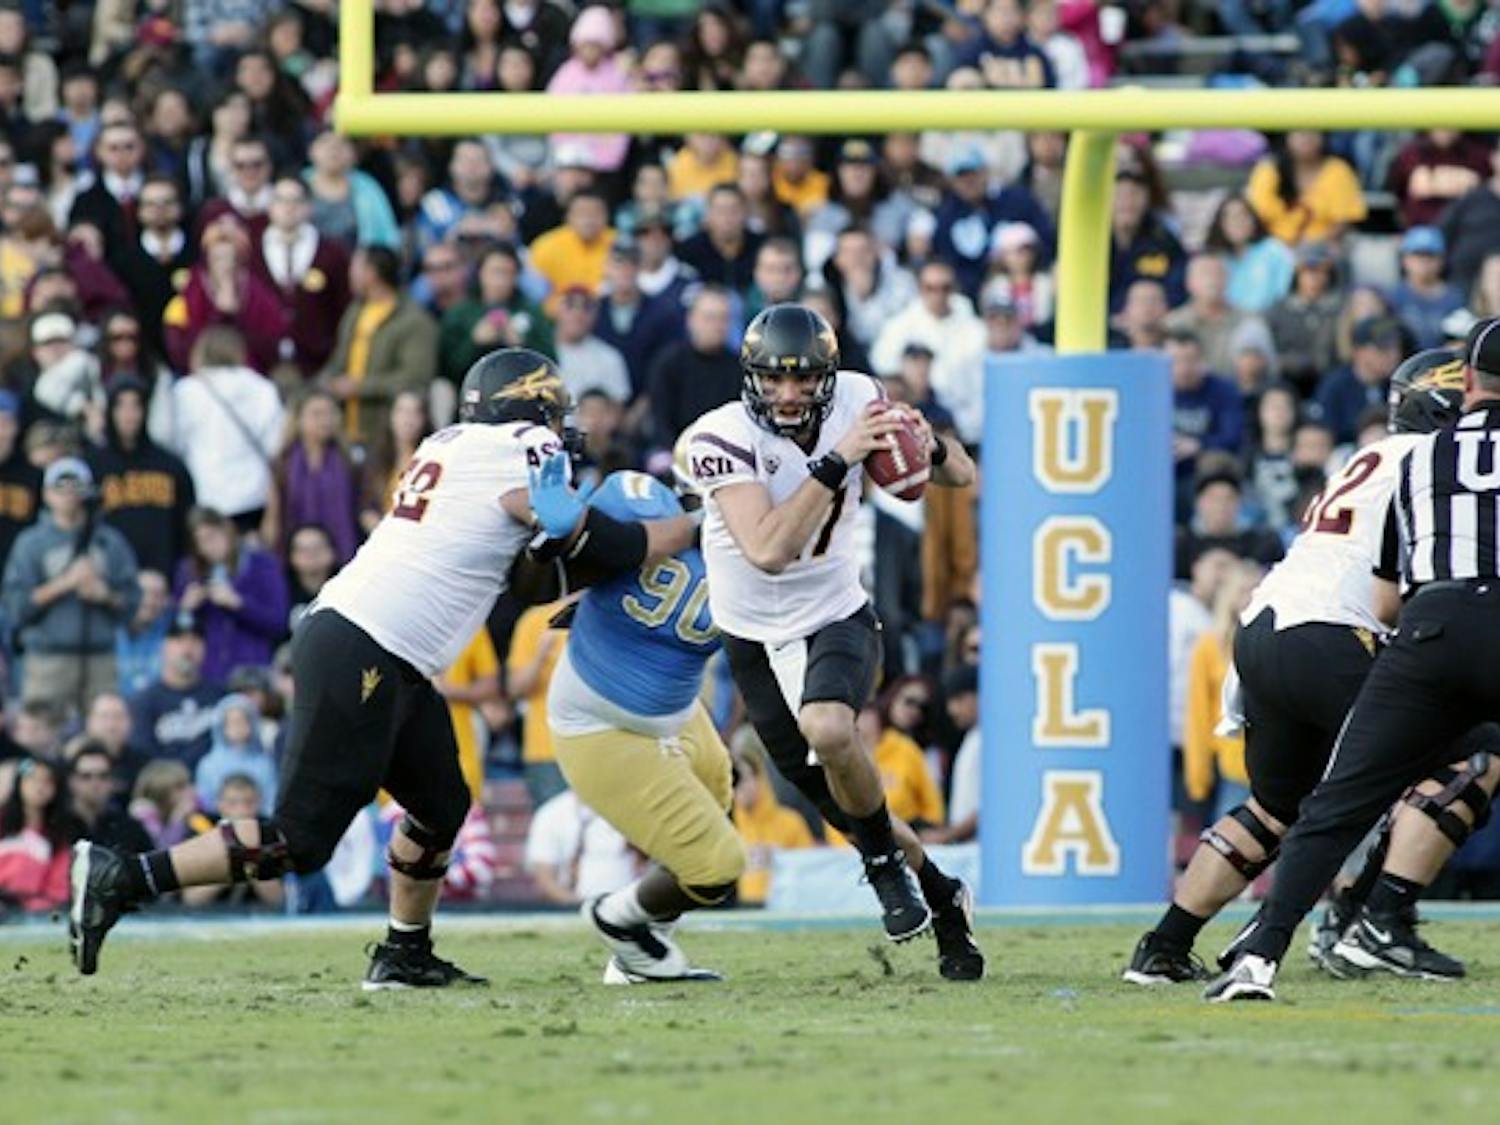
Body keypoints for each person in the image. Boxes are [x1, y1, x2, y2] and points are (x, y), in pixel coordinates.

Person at [69, 349, 696, 987]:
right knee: (301, 837)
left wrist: (578, 549)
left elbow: (530, 578)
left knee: (441, 804)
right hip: (364, 645)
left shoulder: (453, 446)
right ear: (527, 405)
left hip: (381, 650)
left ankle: (404, 950)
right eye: (553, 409)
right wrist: (691, 527)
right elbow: (602, 542)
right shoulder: (523, 443)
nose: (560, 424)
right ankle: (124, 877)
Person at [1175, 346, 1500, 998]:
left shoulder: (1370, 457)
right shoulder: (1431, 462)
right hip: (1341, 633)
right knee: (1463, 760)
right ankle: (1371, 919)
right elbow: (1398, 592)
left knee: (1279, 807)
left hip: (1264, 622)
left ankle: (1166, 943)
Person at [683, 303, 984, 979]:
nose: (788, 394)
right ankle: (942, 897)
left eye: (803, 379)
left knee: (830, 727)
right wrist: (838, 457)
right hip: (753, 638)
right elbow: (766, 549)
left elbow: (960, 474)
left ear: (828, 374)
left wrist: (923, 446)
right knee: (858, 810)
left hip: (834, 613)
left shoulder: (861, 398)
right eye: (773, 379)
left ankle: (882, 866)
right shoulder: (716, 436)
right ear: (750, 378)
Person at [3, 457, 139, 713]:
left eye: (76, 488)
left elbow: (132, 601)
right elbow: (16, 606)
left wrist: (104, 594)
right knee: (41, 735)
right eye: (60, 488)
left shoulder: (109, 542)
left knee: (102, 734)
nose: (69, 496)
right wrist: (63, 584)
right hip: (48, 658)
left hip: (101, 658)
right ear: (46, 495)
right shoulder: (31, 544)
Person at [168, 327, 285, 531]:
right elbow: (276, 443)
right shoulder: (261, 387)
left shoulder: (186, 391)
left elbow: (175, 443)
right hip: (254, 493)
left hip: (206, 491)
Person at [88, 377, 196, 579]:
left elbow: (187, 522)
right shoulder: (93, 465)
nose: (129, 415)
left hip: (164, 580)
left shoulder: (170, 465)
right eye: (121, 406)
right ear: (110, 412)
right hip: (113, 583)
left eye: (136, 406)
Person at [173, 507, 289, 684]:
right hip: (210, 674)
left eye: (212, 536)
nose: (207, 547)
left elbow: (278, 622)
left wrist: (238, 604)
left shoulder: (262, 564)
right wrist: (185, 608)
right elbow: (179, 630)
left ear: (227, 530)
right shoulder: (190, 571)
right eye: (200, 541)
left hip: (253, 672)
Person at [0, 757, 76, 913]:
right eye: (32, 779)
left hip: (33, 914)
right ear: (19, 783)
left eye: (47, 781)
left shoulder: (59, 834)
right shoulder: (2, 823)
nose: (39, 787)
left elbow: (58, 888)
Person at [194, 694, 276, 817]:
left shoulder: (265, 762)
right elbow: (206, 804)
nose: (238, 728)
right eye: (232, 722)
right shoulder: (208, 764)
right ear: (222, 726)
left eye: (243, 721)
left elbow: (270, 801)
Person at [68, 742, 152, 854]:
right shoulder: (58, 829)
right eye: (86, 776)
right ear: (72, 781)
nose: (95, 783)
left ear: (112, 781)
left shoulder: (129, 828)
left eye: (103, 776)